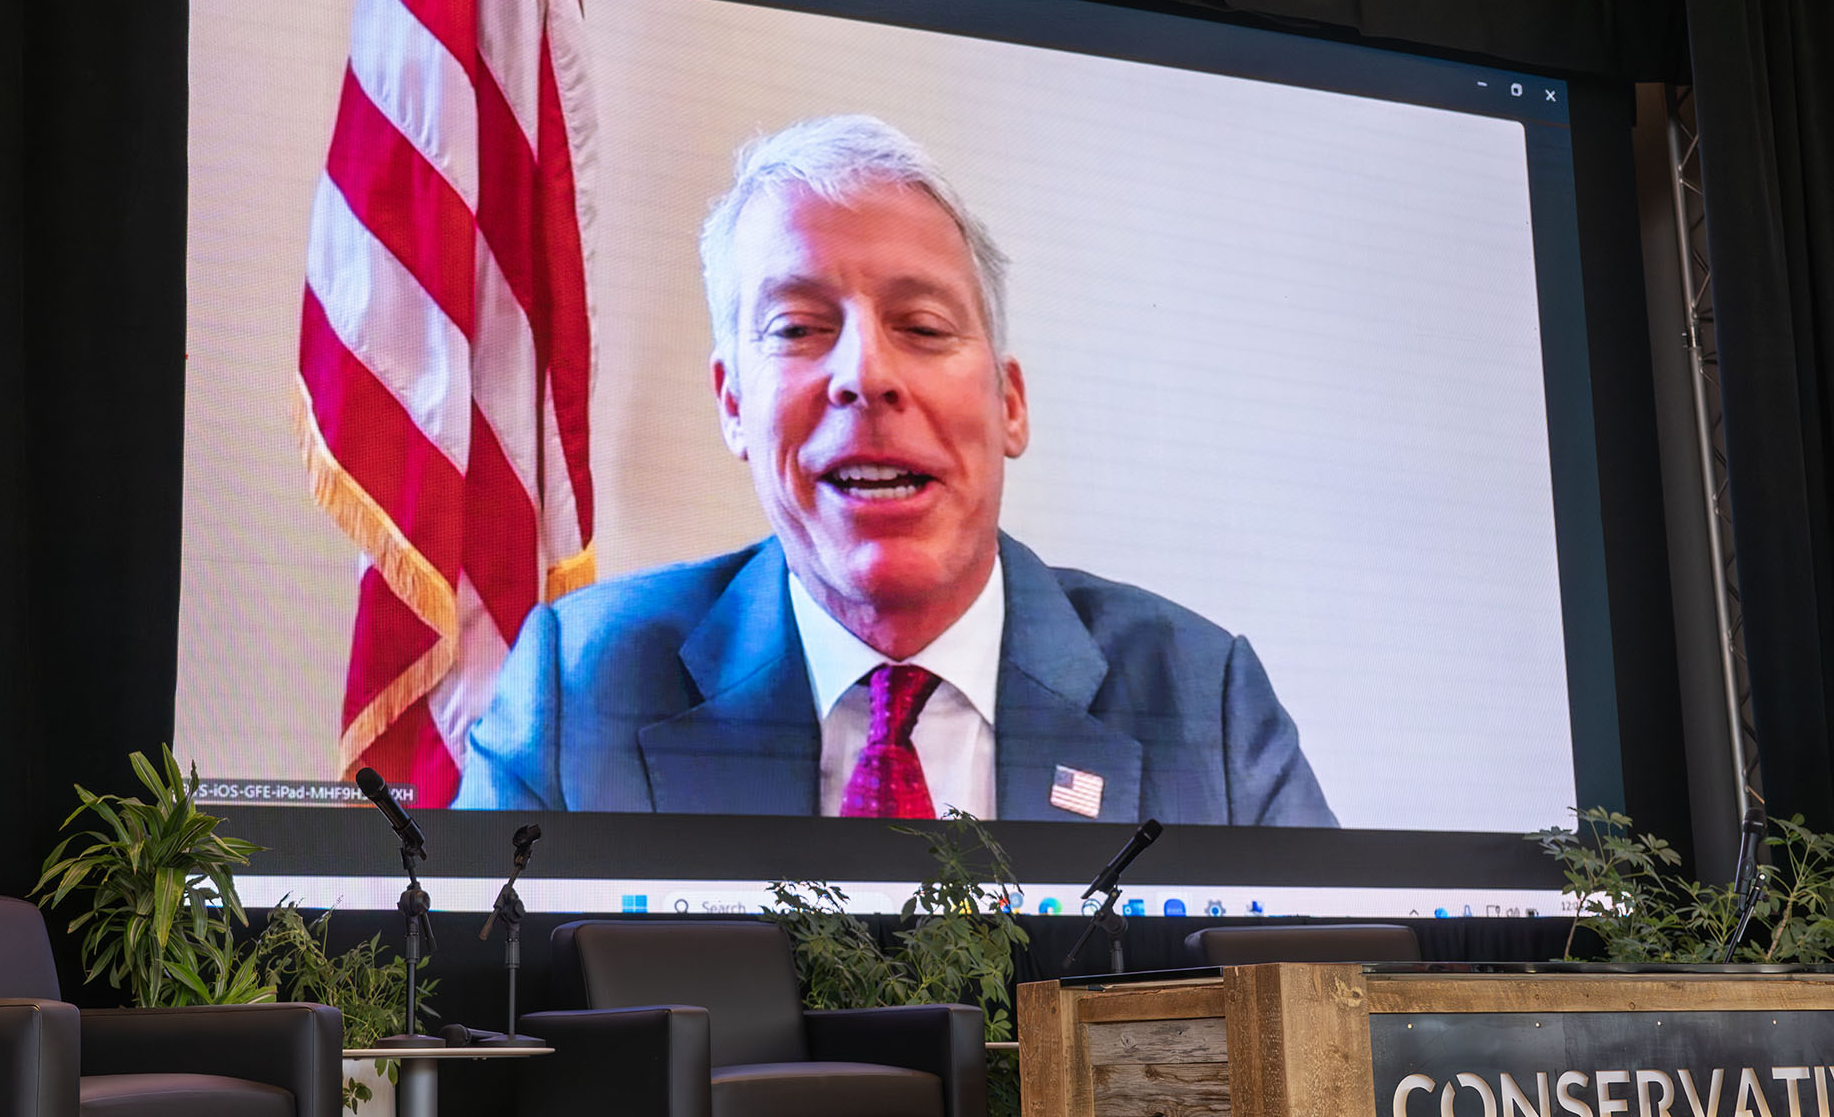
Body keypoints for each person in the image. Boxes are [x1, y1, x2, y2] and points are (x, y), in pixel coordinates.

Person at [455, 115, 1333, 826]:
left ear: (1010, 404)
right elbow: (476, 1020)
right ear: (732, 405)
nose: (864, 375)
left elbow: (1328, 1022)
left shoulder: (1199, 698)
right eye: (798, 329)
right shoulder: (579, 686)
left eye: (921, 327)